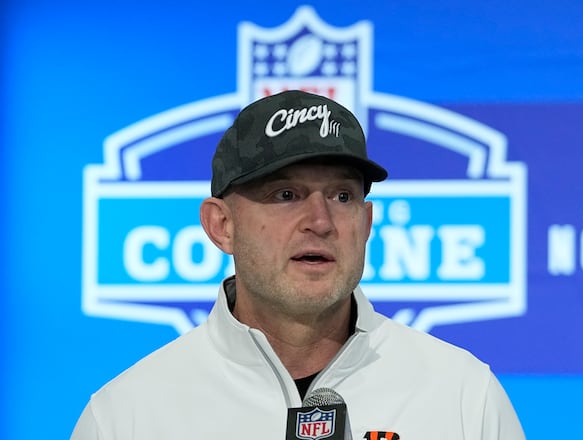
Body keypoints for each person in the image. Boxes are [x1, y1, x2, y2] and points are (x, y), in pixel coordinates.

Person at [71, 90, 526, 439]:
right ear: (221, 225)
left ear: (366, 223)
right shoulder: (126, 416)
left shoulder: (464, 396)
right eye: (285, 195)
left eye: (342, 196)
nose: (321, 221)